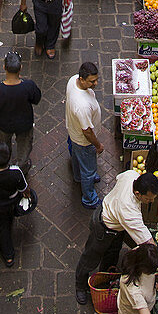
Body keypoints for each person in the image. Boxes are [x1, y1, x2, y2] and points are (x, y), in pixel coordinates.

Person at [75, 169, 158, 305]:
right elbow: (150, 245)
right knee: (90, 257)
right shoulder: (129, 211)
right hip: (103, 227)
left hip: (114, 220)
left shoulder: (131, 175)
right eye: (149, 199)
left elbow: (118, 177)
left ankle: (107, 274)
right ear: (138, 194)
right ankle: (80, 284)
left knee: (113, 253)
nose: (151, 201)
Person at [0, 51, 41, 175]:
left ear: (4, 67)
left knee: (3, 142)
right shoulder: (28, 86)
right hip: (24, 125)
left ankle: (3, 163)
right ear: (20, 68)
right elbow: (36, 99)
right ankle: (22, 166)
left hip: (3, 125)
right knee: (24, 146)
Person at [65, 61, 104, 209]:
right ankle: (89, 199)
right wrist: (98, 145)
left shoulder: (72, 80)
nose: (96, 83)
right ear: (82, 79)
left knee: (76, 157)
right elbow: (87, 131)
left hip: (73, 133)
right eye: (92, 81)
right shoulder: (81, 105)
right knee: (88, 169)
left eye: (96, 79)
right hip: (83, 141)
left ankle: (77, 177)